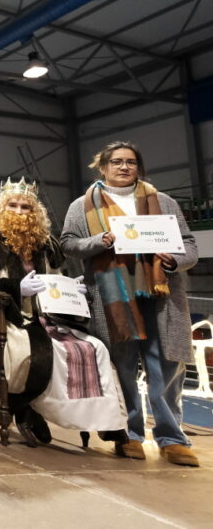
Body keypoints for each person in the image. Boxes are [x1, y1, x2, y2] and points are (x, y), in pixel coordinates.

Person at [61, 141, 198, 466]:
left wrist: (173, 260)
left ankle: (171, 438)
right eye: (117, 162)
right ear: (102, 167)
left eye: (131, 162)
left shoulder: (163, 201)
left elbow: (189, 245)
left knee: (165, 365)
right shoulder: (81, 206)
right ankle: (129, 434)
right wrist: (100, 241)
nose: (124, 167)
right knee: (121, 366)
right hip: (112, 298)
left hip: (161, 296)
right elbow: (68, 243)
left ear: (139, 167)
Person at [0, 178, 126, 446]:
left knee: (95, 348)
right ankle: (26, 407)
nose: (19, 212)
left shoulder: (46, 242)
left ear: (35, 212)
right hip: (5, 316)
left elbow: (56, 278)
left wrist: (70, 288)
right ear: (1, 207)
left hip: (47, 315)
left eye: (26, 207)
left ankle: (106, 421)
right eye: (13, 206)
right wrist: (15, 288)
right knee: (34, 350)